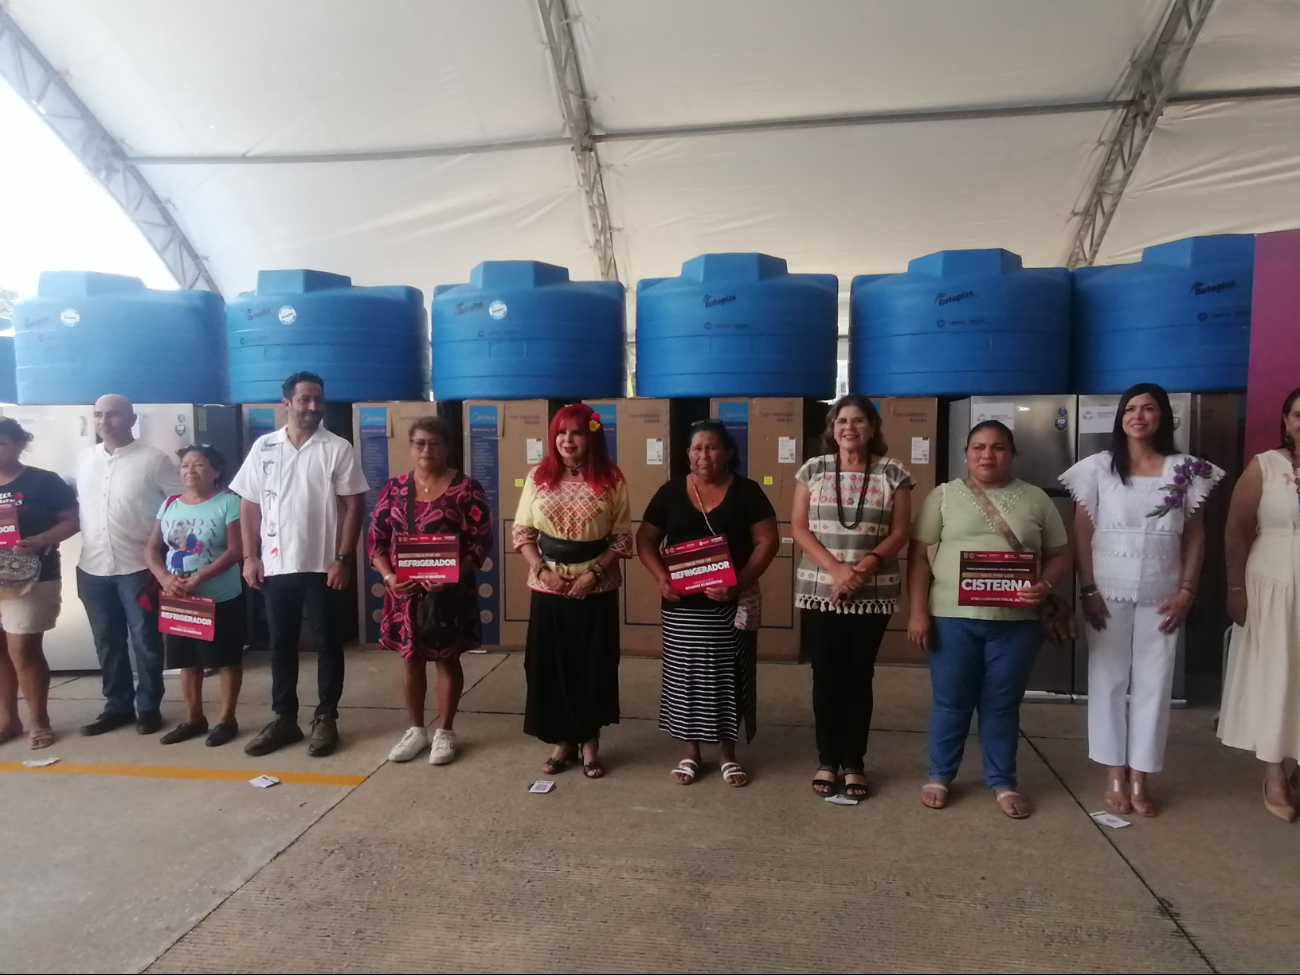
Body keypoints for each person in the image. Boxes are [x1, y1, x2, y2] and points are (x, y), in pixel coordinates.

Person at [1062, 382, 1223, 817]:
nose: (1138, 416)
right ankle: (1114, 769)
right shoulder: (1096, 469)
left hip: (1163, 590)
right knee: (1109, 679)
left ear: (1163, 417)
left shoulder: (1186, 470)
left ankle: (1142, 773)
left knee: (1156, 683)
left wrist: (1188, 588)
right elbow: (1082, 533)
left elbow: (1195, 535)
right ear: (1120, 417)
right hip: (1106, 591)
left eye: (1148, 408)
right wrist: (1088, 588)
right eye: (1130, 408)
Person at [908, 421, 1071, 819]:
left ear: (1012, 454)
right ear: (965, 453)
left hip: (1016, 624)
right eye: (979, 447)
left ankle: (1002, 781)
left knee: (1001, 704)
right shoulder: (943, 496)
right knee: (950, 702)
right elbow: (918, 558)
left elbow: (1061, 553)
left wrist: (1045, 584)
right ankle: (940, 774)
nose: (987, 455)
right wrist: (916, 612)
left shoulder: (1035, 498)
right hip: (952, 618)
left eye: (998, 447)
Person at [230, 372, 369, 758]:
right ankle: (284, 719)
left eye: (318, 400)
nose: (313, 407)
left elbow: (353, 505)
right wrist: (250, 556)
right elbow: (249, 504)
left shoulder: (336, 447)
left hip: (323, 566)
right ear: (286, 403)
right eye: (305, 399)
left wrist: (343, 558)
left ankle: (326, 717)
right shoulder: (264, 447)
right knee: (280, 646)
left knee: (327, 644)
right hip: (275, 566)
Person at [637, 420, 779, 787]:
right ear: (687, 454)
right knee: (686, 679)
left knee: (728, 678)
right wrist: (660, 577)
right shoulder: (670, 492)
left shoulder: (747, 492)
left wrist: (739, 582)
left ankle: (728, 754)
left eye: (713, 447)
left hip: (732, 606)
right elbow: (646, 540)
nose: (704, 455)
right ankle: (691, 752)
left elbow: (767, 541)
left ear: (729, 452)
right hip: (682, 607)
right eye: (697, 448)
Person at [791, 394, 914, 799]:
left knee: (860, 676)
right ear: (832, 428)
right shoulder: (813, 470)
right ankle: (827, 759)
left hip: (872, 589)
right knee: (826, 674)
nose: (849, 428)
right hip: (821, 588)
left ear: (873, 427)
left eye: (858, 421)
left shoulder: (893, 473)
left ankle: (854, 763)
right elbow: (800, 529)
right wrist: (837, 570)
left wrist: (862, 569)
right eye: (841, 421)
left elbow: (899, 533)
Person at [514, 404, 632, 778]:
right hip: (548, 587)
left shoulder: (612, 479)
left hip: (594, 588)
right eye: (562, 433)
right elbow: (523, 533)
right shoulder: (538, 477)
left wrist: (593, 574)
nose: (568, 440)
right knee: (549, 665)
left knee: (592, 664)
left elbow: (622, 539)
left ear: (592, 437)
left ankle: (589, 741)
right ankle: (561, 740)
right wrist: (542, 571)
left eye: (577, 433)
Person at [368, 417, 492, 766]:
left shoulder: (467, 489)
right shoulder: (393, 489)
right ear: (410, 447)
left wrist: (453, 574)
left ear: (446, 446)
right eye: (420, 443)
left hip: (449, 593)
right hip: (403, 592)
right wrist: (390, 577)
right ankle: (416, 730)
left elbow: (482, 542)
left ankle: (446, 732)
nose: (426, 449)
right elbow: (375, 541)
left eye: (434, 443)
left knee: (447, 658)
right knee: (410, 658)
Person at [76, 394, 182, 736]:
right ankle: (117, 706)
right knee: (107, 642)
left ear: (132, 419)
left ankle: (148, 707)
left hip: (139, 569)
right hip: (93, 568)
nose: (105, 422)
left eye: (114, 415)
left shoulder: (154, 461)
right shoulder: (85, 460)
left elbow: (180, 506)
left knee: (146, 642)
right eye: (99, 415)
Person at [1219, 387, 1300, 821]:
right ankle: (1273, 769)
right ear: (1286, 420)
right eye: (1299, 414)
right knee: (1278, 667)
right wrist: (1235, 589)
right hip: (1272, 579)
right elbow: (1235, 529)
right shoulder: (1264, 467)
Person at [143, 445, 245, 747]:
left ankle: (227, 719)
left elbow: (236, 549)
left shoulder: (229, 503)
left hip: (219, 595)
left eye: (199, 465)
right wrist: (164, 578)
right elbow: (152, 548)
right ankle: (194, 718)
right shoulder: (171, 504)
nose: (190, 470)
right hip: (179, 598)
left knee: (225, 658)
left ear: (215, 472)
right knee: (186, 659)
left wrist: (200, 577)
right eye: (185, 465)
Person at [0, 418, 79, 749]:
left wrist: (42, 538)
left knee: (23, 649)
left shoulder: (43, 481)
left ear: (19, 444)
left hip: (32, 578)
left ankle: (39, 721)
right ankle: (8, 720)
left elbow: (74, 520)